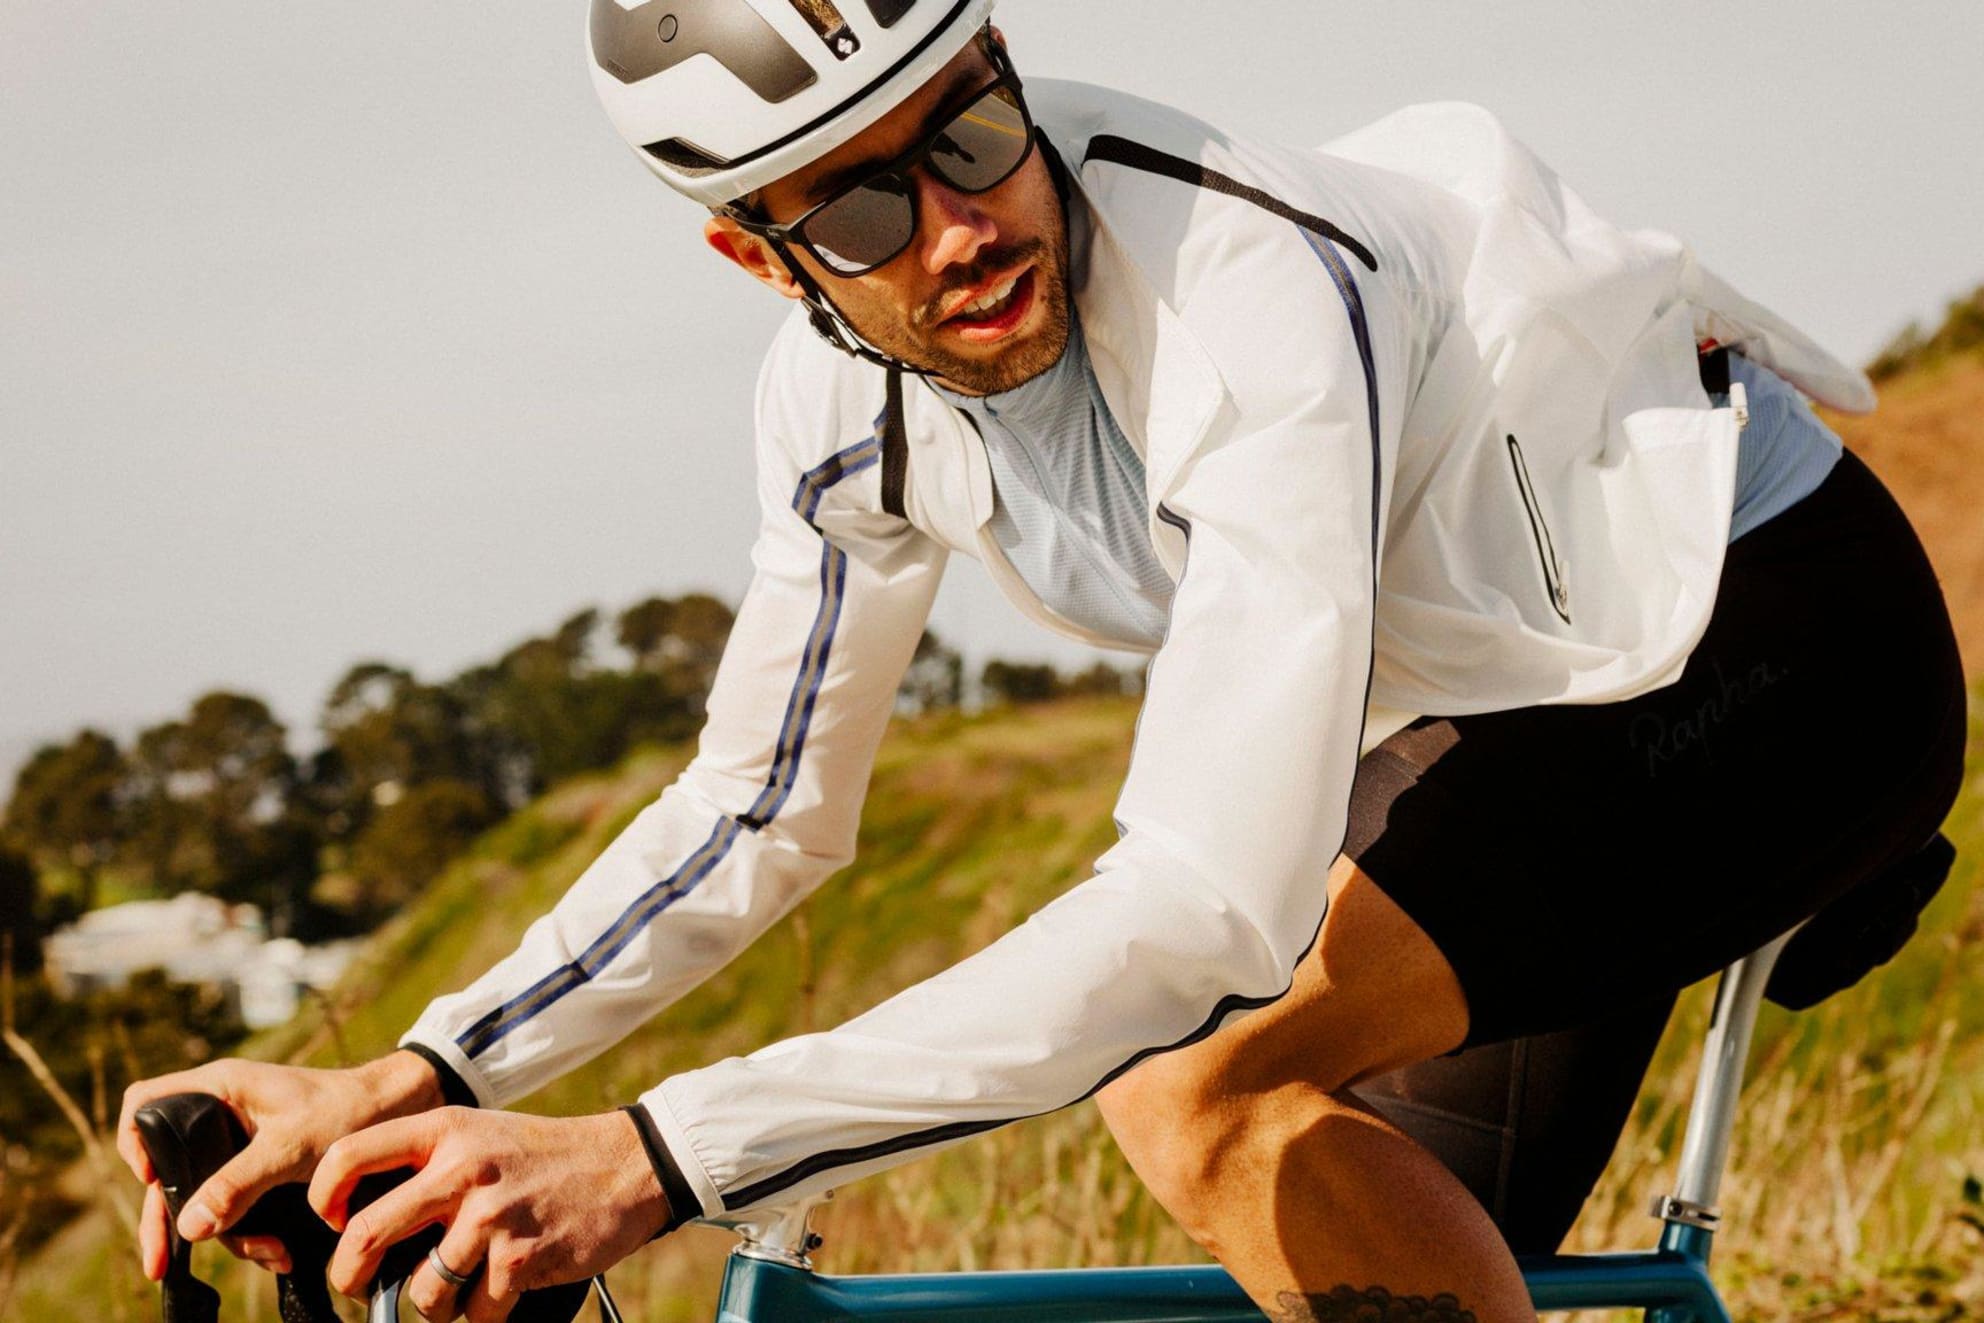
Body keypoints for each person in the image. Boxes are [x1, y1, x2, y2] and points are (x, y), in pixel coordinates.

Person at [119, 4, 1969, 1321]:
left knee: (1193, 1085)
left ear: (1002, 63)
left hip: (1766, 644)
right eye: (853, 210)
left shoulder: (1239, 283)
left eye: (970, 134)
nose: (958, 227)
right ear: (759, 259)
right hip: (1509, 694)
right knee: (1349, 1248)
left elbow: (1195, 912)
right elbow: (761, 807)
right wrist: (423, 1073)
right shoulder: (836, 407)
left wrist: (662, 1156)